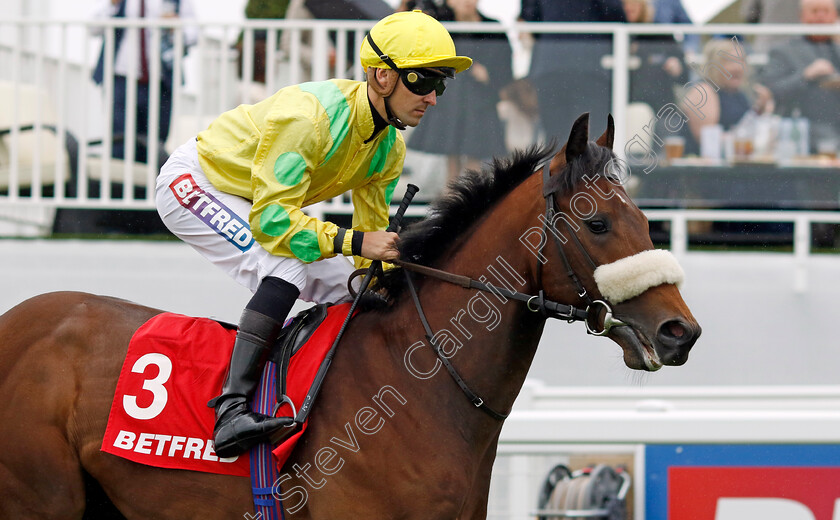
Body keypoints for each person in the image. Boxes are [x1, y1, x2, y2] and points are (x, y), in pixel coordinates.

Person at [154, 10, 471, 458]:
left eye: (441, 84)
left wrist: (378, 272)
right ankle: (230, 410)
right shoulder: (308, 118)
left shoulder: (389, 147)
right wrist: (358, 243)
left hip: (256, 200)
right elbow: (274, 223)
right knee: (285, 264)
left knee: (353, 286)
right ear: (382, 76)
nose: (433, 98)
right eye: (422, 81)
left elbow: (368, 239)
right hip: (195, 183)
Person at [406, 0, 513, 182]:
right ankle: (452, 201)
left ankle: (472, 201)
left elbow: (505, 67)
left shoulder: (493, 28)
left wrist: (489, 75)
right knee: (452, 156)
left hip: (480, 101)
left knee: (475, 157)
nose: (466, 2)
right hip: (451, 99)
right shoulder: (440, 25)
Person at [91, 0, 197, 165]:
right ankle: (120, 188)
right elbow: (93, 28)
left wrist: (176, 27)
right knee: (119, 141)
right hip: (121, 79)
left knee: (155, 143)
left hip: (161, 82)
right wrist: (112, 6)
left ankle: (149, 189)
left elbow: (193, 34)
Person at [519, 0, 627, 140]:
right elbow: (615, 14)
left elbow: (531, 16)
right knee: (589, 139)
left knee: (556, 138)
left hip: (552, 64)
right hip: (589, 67)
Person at [756, 0, 840, 151]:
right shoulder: (783, 51)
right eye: (815, 11)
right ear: (802, 16)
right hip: (799, 137)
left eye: (826, 12)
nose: (821, 17)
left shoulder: (837, 49)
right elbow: (769, 92)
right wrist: (806, 76)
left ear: (835, 16)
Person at [680, 38, 774, 155]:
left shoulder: (738, 94)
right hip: (701, 168)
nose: (738, 67)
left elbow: (743, 127)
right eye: (729, 61)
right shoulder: (704, 92)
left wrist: (760, 109)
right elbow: (709, 141)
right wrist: (745, 141)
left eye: (741, 61)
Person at [624, 0, 688, 114]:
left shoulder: (660, 34)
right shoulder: (614, 35)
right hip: (625, 103)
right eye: (624, 4)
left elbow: (684, 75)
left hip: (661, 106)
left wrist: (677, 68)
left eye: (633, 4)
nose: (628, 8)